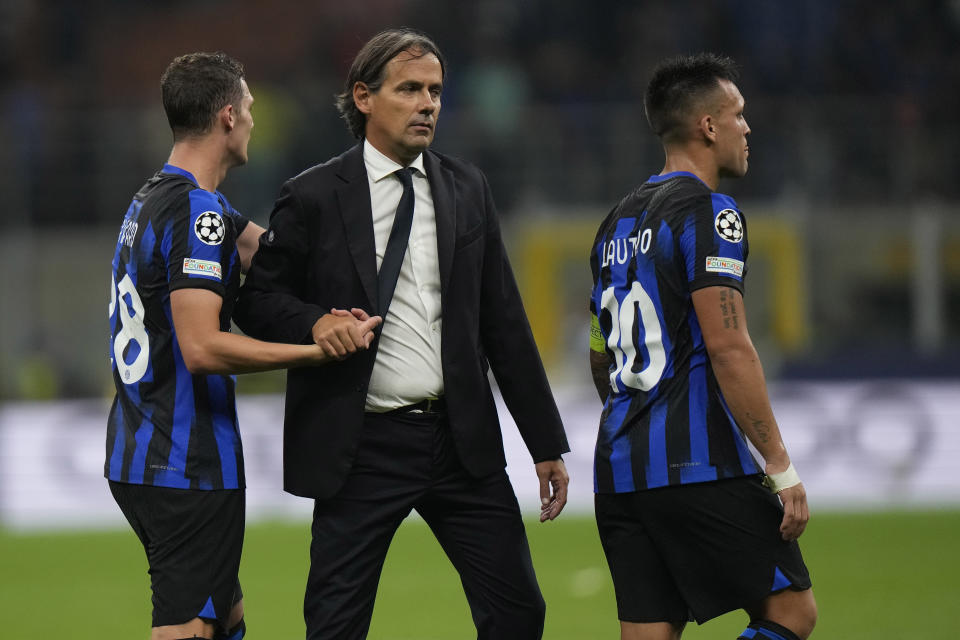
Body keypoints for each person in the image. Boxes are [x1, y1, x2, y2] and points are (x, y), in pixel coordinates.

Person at [233, 28, 570, 640]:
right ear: (363, 97)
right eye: (410, 89)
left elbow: (504, 321)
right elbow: (257, 303)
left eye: (436, 91)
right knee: (335, 626)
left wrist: (545, 441)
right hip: (362, 444)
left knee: (520, 613)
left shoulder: (468, 187)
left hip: (460, 438)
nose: (428, 104)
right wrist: (314, 322)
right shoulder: (311, 196)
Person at [106, 52, 380, 640]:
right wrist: (315, 352)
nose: (256, 119)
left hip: (139, 448)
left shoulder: (154, 201)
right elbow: (202, 347)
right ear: (228, 117)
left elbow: (277, 257)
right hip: (183, 460)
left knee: (225, 616)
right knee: (188, 628)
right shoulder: (197, 213)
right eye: (251, 107)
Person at [587, 53, 818, 640]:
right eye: (737, 114)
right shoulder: (711, 214)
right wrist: (780, 465)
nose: (747, 127)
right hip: (698, 467)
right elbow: (730, 347)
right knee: (790, 612)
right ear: (708, 127)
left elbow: (598, 349)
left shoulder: (614, 223)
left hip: (618, 470)